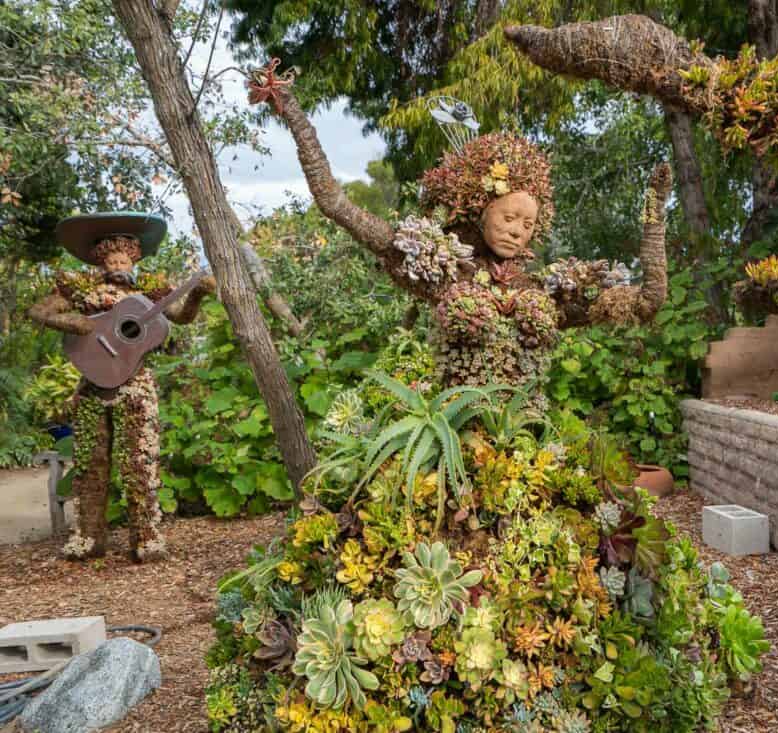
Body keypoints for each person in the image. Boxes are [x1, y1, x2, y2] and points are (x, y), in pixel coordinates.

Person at [249, 61, 672, 395]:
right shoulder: (445, 267)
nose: (516, 232)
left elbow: (647, 300)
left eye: (528, 224)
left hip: (524, 442)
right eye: (508, 218)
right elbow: (335, 204)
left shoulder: (545, 289)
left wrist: (655, 210)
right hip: (453, 438)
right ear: (480, 213)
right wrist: (295, 116)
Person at [28, 212, 216, 562]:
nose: (118, 263)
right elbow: (39, 311)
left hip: (136, 385)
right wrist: (75, 322)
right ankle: (87, 537)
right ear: (100, 260)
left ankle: (146, 538)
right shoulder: (83, 289)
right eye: (111, 258)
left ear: (136, 258)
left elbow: (181, 316)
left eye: (125, 257)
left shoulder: (150, 293)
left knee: (140, 462)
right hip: (92, 383)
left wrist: (197, 296)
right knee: (89, 464)